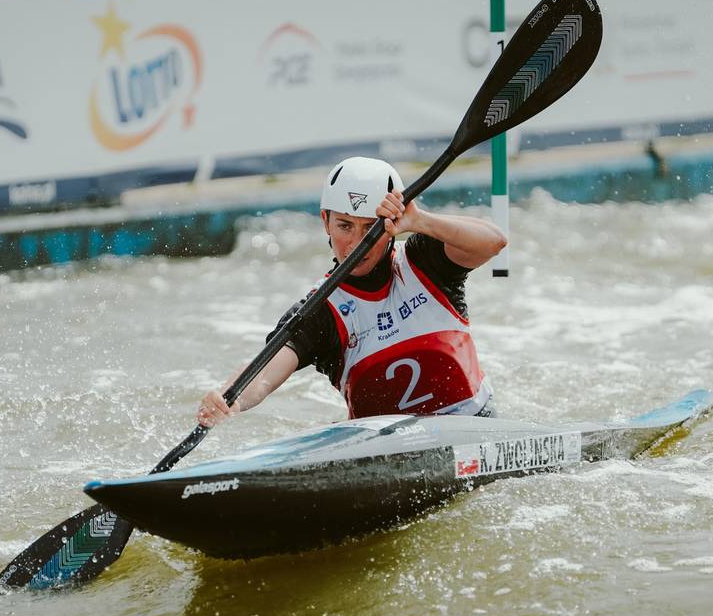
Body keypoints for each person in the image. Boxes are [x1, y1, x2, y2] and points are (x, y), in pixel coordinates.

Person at [197, 156, 506, 425]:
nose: (357, 242)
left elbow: (494, 241)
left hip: (473, 422)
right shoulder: (320, 310)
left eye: (370, 227)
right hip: (384, 446)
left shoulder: (425, 263)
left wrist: (420, 220)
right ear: (325, 223)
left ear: (392, 225)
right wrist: (231, 398)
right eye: (345, 226)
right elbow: (264, 373)